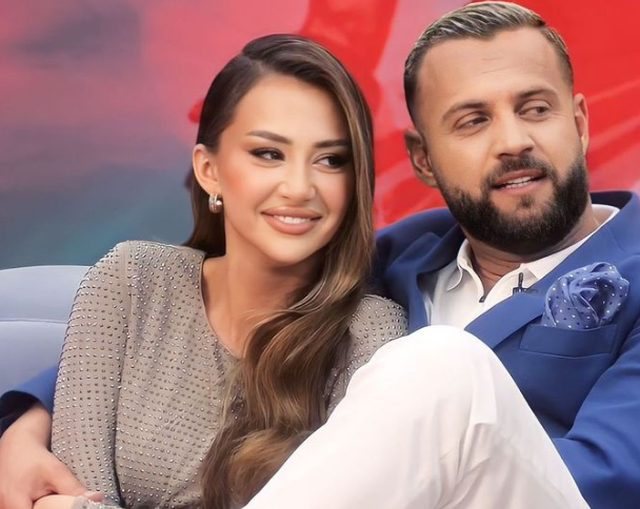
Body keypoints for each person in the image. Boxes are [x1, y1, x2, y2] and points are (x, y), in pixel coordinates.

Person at [1, 0, 637, 507]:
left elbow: (607, 483)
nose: (513, 140)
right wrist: (25, 422)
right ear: (422, 158)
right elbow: (159, 334)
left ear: (579, 124)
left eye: (535, 109)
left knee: (444, 361)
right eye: (473, 121)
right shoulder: (402, 259)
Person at [2, 33, 411, 508]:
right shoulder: (131, 281)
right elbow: (77, 483)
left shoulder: (371, 333)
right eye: (268, 153)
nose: (300, 187)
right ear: (208, 169)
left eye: (330, 160)